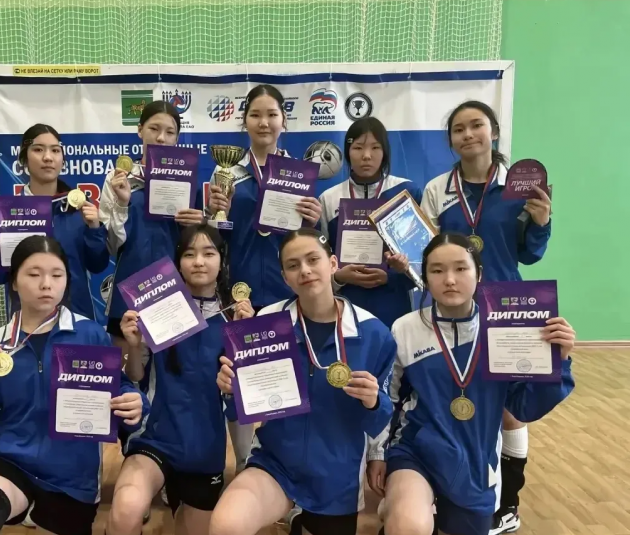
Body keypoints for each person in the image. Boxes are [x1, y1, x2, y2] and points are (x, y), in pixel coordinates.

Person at [367, 232, 574, 535]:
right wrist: (377, 452)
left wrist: (559, 361)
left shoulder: (506, 329)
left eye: (461, 268)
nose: (450, 279)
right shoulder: (406, 328)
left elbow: (525, 407)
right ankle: (401, 510)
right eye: (437, 270)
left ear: (479, 274)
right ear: (425, 277)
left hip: (477, 460)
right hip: (417, 451)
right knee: (408, 526)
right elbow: (389, 398)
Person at [0, 236, 149, 535]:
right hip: (9, 460)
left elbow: (120, 390)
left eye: (56, 275)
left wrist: (133, 401)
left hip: (72, 476)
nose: (46, 284)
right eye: (33, 274)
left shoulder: (91, 335)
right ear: (14, 281)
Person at [420, 101, 554, 534]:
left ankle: (507, 503)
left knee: (510, 411)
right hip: (453, 311)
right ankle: (451, 496)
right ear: (450, 140)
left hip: (508, 307)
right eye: (458, 129)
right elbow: (425, 251)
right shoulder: (437, 189)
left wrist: (541, 223)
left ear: (493, 131)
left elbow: (529, 255)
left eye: (476, 125)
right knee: (459, 402)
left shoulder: (519, 184)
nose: (467, 134)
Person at [210, 228, 397, 535]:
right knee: (226, 525)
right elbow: (240, 409)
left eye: (313, 260)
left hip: (337, 473)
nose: (305, 270)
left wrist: (374, 403)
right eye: (293, 265)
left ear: (333, 264)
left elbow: (381, 417)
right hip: (276, 461)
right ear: (285, 277)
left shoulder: (374, 333)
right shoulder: (267, 321)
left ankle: (300, 521)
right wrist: (231, 389)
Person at [107, 224, 254, 535]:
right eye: (189, 254)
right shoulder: (156, 312)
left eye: (208, 253)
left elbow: (240, 406)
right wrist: (133, 345)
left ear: (222, 261)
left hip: (205, 450)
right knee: (125, 510)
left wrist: (245, 345)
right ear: (177, 263)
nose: (199, 262)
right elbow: (135, 377)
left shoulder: (234, 319)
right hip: (155, 437)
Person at [99, 101, 204, 354]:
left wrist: (199, 226)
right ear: (139, 130)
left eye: (170, 132)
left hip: (174, 290)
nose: (161, 138)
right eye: (154, 128)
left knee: (173, 373)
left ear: (177, 138)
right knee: (129, 373)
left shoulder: (188, 180)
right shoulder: (118, 179)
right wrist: (122, 205)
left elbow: (199, 246)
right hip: (129, 291)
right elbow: (110, 245)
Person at [207, 84, 323, 311]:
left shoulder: (299, 174)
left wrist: (312, 223)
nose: (263, 123)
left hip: (289, 288)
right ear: (245, 120)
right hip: (238, 288)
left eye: (272, 115)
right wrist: (217, 216)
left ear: (283, 120)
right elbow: (215, 239)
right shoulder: (226, 171)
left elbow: (309, 240)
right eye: (255, 115)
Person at [0, 123, 110, 320]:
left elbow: (98, 265)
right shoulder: (8, 213)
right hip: (27, 324)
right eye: (38, 150)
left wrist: (94, 229)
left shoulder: (80, 209)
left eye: (55, 150)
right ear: (24, 159)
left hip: (76, 319)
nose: (48, 157)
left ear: (63, 160)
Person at [319, 116, 422, 329]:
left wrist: (391, 277)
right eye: (358, 148)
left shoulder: (406, 192)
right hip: (346, 302)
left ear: (385, 152)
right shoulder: (328, 198)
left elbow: (424, 256)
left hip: (394, 302)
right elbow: (320, 257)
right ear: (348, 152)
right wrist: (337, 278)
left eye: (375, 147)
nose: (366, 156)